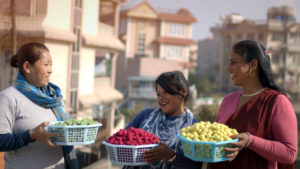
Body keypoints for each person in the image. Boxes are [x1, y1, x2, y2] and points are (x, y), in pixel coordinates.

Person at [208, 40, 298, 169]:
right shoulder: (228, 100)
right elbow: (213, 140)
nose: (228, 68)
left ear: (253, 64)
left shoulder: (276, 101)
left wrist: (250, 141)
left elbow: (289, 153)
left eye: (233, 62)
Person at [0, 42, 78, 169]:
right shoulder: (8, 98)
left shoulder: (53, 98)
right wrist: (32, 135)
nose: (50, 70)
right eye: (46, 64)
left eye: (51, 65)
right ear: (27, 67)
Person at [124, 71, 202, 169]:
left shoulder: (194, 129)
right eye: (158, 94)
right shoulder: (145, 116)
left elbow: (197, 165)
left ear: (183, 92)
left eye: (166, 92)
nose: (161, 98)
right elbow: (122, 140)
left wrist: (172, 156)